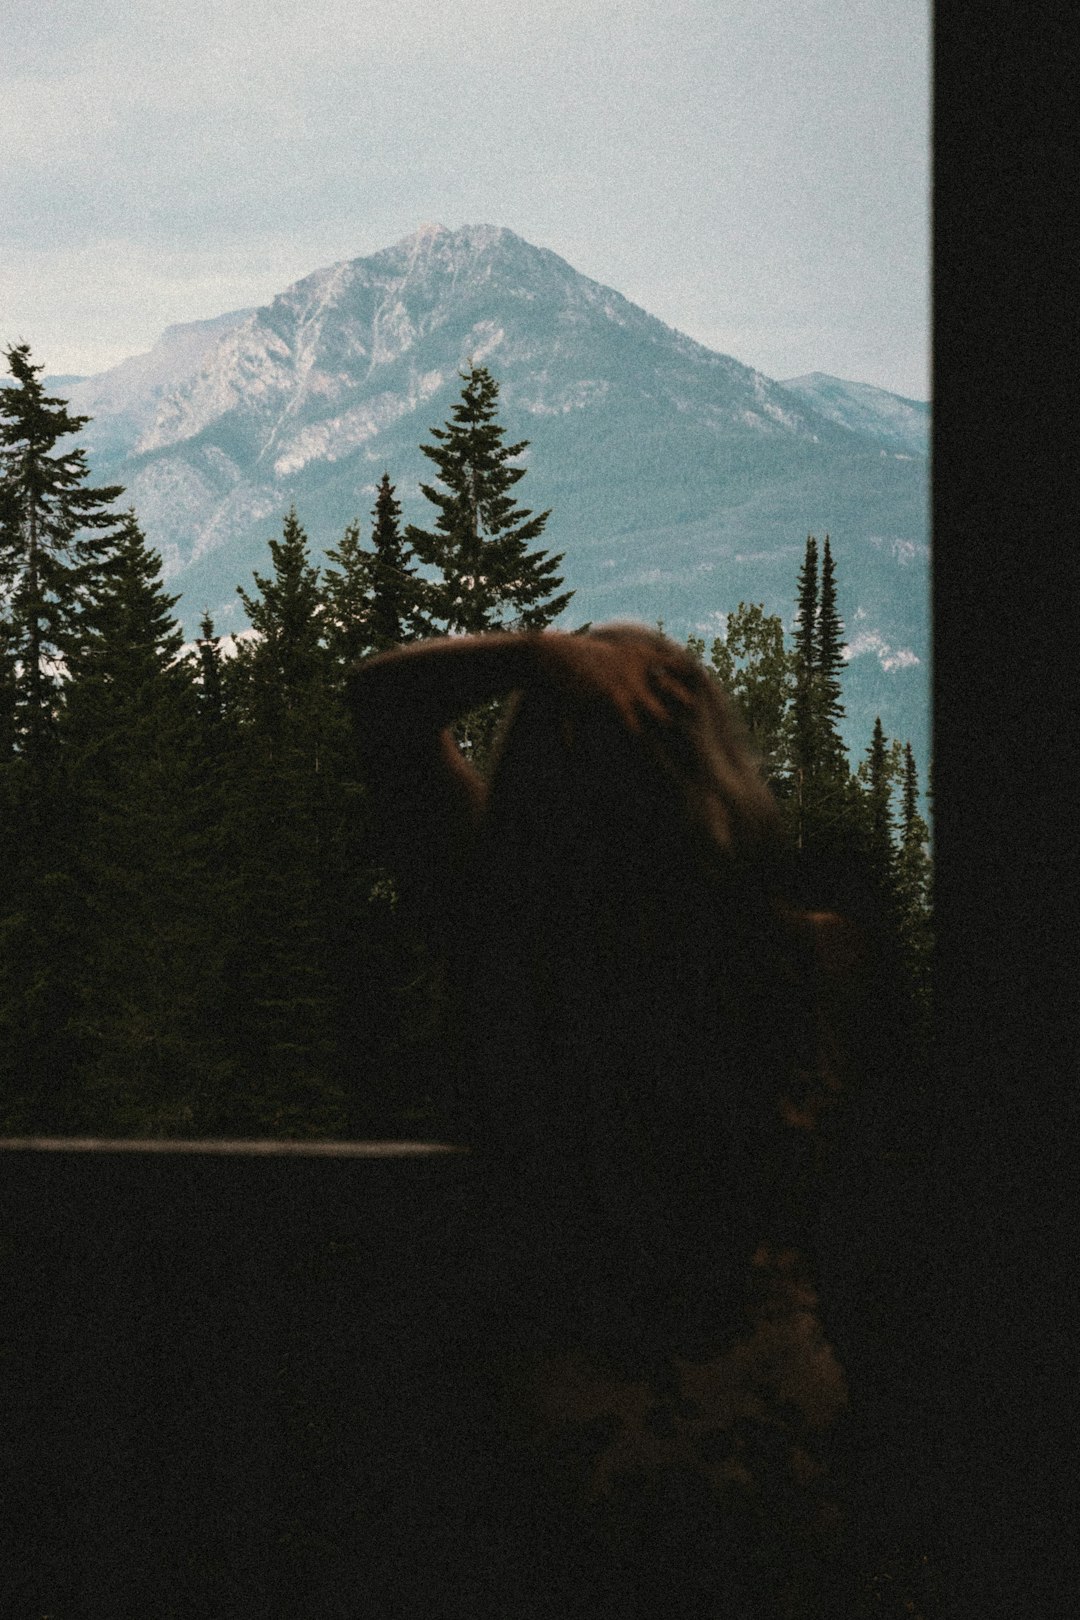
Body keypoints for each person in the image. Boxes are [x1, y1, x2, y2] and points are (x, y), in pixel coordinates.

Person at [346, 625, 880, 1617]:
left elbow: (381, 701)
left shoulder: (500, 943)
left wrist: (541, 658)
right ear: (711, 759)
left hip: (563, 1465)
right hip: (782, 1444)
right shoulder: (811, 966)